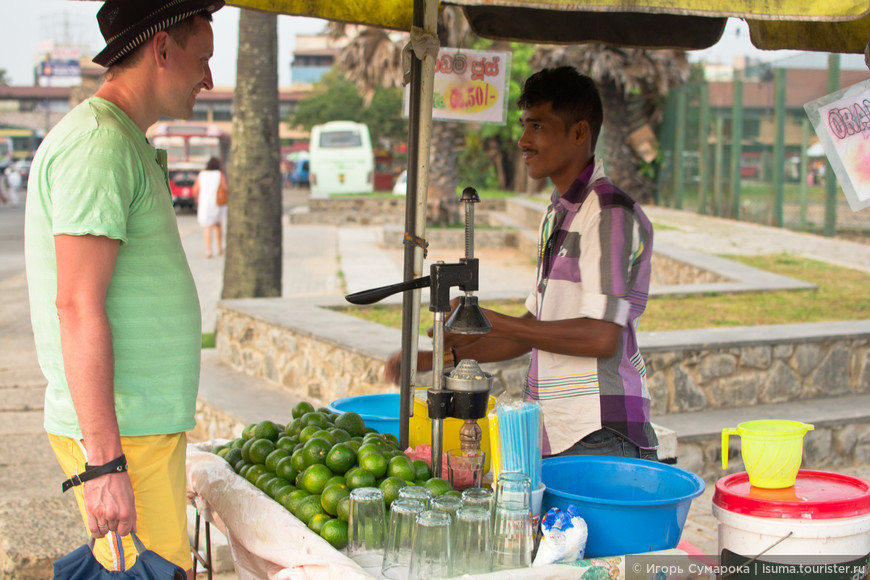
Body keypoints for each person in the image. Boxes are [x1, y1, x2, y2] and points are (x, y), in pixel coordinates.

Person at [23, 0, 223, 576]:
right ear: (162, 49)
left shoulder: (119, 138)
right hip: (125, 436)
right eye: (202, 58)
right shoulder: (99, 146)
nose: (208, 78)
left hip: (140, 428)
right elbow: (77, 306)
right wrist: (105, 466)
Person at [386, 66, 658, 461]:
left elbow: (602, 337)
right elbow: (531, 332)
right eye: (523, 125)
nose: (523, 140)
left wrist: (490, 319)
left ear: (579, 132)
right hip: (561, 429)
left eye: (538, 127)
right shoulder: (558, 214)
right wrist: (445, 357)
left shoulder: (607, 214)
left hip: (601, 431)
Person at [193, 156, 227, 258]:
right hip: (217, 202)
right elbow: (224, 187)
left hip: (205, 203)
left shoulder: (202, 174)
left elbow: (195, 188)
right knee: (218, 226)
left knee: (207, 227)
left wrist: (196, 199)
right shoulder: (219, 174)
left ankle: (208, 250)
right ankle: (219, 248)